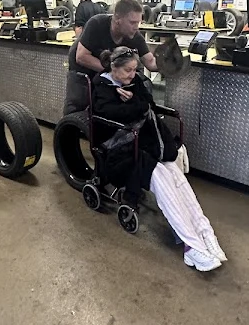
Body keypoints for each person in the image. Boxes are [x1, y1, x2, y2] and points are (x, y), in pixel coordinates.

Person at [92, 46, 226, 273]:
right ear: (113, 68)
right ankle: (191, 246)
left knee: (176, 177)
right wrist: (134, 106)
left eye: (135, 70)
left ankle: (205, 233)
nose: (131, 75)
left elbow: (147, 105)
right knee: (163, 182)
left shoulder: (134, 83)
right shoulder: (101, 87)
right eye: (127, 71)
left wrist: (133, 101)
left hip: (144, 145)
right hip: (120, 150)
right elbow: (110, 115)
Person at [65, 0, 158, 113]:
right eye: (132, 22)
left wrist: (165, 64)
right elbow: (81, 57)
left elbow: (150, 62)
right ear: (118, 19)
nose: (136, 27)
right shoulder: (97, 24)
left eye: (138, 22)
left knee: (107, 108)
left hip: (108, 70)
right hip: (82, 70)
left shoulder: (134, 35)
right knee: (78, 108)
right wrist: (113, 71)